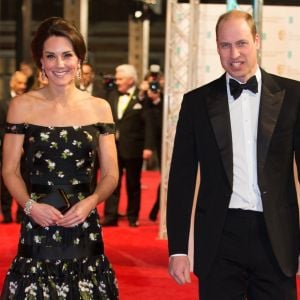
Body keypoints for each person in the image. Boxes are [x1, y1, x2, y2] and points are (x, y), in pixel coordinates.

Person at [167, 10, 300, 300]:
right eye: (225, 45)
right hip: (220, 237)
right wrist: (177, 249)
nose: (234, 53)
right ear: (216, 47)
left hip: (276, 237)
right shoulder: (197, 103)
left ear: (256, 41)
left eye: (241, 43)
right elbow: (181, 179)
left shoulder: (293, 96)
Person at [1, 17, 119, 299]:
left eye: (67, 55)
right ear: (40, 61)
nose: (59, 64)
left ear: (79, 59)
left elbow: (112, 173)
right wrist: (30, 207)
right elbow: (9, 170)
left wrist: (91, 202)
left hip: (83, 224)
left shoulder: (99, 108)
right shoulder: (21, 106)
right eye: (50, 56)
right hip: (38, 223)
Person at [101, 64, 155, 227]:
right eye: (116, 78)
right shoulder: (110, 95)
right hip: (112, 147)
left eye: (120, 79)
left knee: (133, 183)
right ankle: (110, 216)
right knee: (111, 182)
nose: (117, 82)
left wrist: (148, 147)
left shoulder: (142, 97)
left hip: (134, 147)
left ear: (131, 80)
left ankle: (133, 217)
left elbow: (149, 124)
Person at [0, 71, 27, 223]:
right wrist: (12, 144)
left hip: (25, 152)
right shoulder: (3, 103)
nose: (22, 86)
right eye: (19, 83)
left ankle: (22, 214)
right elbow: (1, 128)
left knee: (23, 180)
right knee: (6, 181)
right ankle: (6, 213)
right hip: (7, 151)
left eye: (24, 83)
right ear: (12, 83)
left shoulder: (29, 103)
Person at [139, 65, 164, 221]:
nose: (153, 86)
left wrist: (157, 99)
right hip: (139, 140)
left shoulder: (164, 98)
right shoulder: (140, 96)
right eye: (150, 83)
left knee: (165, 176)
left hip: (162, 140)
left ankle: (157, 207)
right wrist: (142, 94)